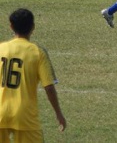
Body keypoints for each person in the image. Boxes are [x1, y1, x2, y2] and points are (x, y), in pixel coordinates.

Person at [0, 8, 67, 141]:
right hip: (25, 116)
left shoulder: (1, 48)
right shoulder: (38, 52)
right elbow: (49, 87)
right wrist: (58, 113)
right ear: (33, 27)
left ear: (11, 26)